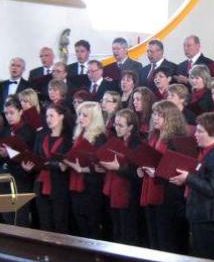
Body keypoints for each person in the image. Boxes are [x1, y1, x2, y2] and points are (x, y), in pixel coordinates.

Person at [171, 112, 214, 261]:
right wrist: (185, 180)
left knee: (208, 261)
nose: (195, 135)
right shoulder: (205, 152)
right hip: (200, 215)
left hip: (209, 218)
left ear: (212, 133)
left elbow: (212, 188)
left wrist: (188, 178)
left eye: (200, 132)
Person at [140, 101, 189, 253]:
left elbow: (179, 171)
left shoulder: (177, 141)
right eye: (154, 114)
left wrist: (158, 173)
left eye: (160, 115)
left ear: (171, 118)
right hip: (151, 191)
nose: (155, 118)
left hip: (168, 197)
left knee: (166, 242)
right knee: (154, 239)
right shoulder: (153, 137)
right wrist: (141, 169)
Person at [22, 103, 71, 234]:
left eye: (51, 116)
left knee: (60, 224)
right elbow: (35, 157)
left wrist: (49, 164)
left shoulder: (68, 139)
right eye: (47, 116)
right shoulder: (41, 136)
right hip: (41, 184)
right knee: (44, 224)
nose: (48, 119)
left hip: (59, 187)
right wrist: (29, 166)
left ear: (61, 117)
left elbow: (66, 165)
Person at [64, 101, 108, 238]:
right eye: (79, 115)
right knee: (80, 224)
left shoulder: (100, 138)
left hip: (91, 187)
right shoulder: (79, 134)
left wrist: (82, 169)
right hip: (76, 184)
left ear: (94, 118)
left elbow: (102, 166)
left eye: (84, 115)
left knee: (92, 225)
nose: (80, 118)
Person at [100, 109, 144, 245]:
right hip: (114, 189)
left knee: (128, 232)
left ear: (130, 127)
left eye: (121, 125)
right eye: (115, 124)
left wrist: (118, 168)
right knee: (117, 230)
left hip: (129, 193)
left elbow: (138, 173)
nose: (117, 128)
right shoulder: (115, 141)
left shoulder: (137, 145)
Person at [0, 97, 36, 227]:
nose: (8, 116)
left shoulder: (29, 131)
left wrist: (10, 154)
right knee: (6, 216)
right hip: (6, 176)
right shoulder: (6, 130)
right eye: (6, 113)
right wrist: (1, 154)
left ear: (20, 112)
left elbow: (31, 154)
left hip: (21, 178)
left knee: (20, 216)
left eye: (12, 113)